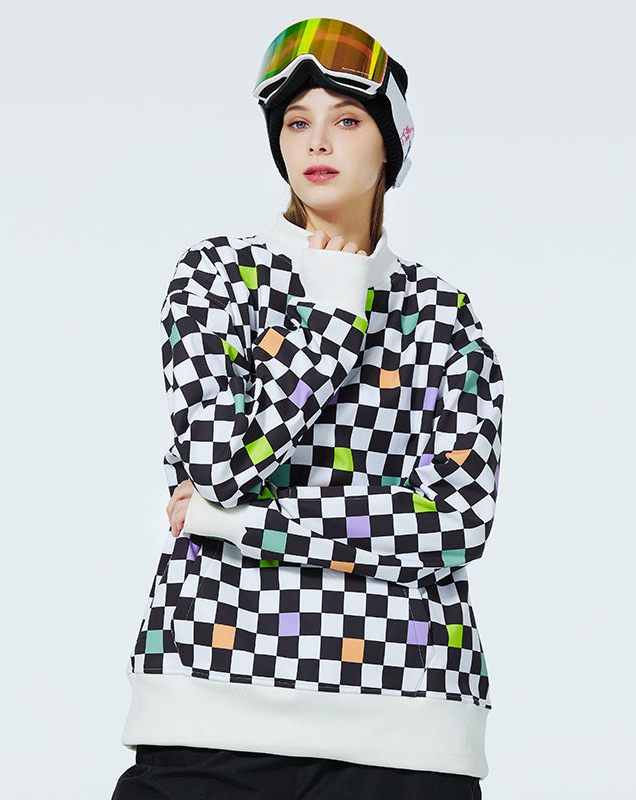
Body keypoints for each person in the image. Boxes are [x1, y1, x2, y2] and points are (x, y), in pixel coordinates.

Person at [112, 17, 504, 800]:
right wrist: (331, 317)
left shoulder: (442, 315)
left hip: (408, 719)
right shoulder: (218, 276)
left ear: (390, 145)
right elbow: (223, 467)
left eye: (347, 121)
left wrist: (234, 524)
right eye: (297, 123)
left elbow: (455, 526)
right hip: (207, 701)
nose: (317, 142)